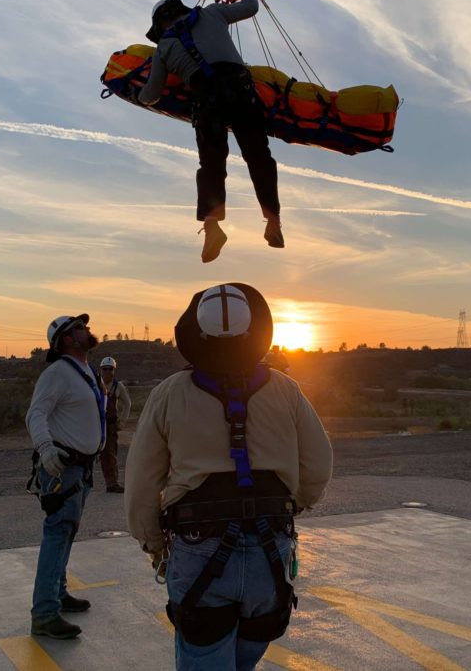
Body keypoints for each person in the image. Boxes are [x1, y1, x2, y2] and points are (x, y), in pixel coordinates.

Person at [125, 283, 333, 670]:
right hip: (270, 552)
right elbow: (319, 463)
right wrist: (295, 503)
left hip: (198, 549)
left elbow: (140, 483)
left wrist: (153, 542)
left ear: (195, 333)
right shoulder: (288, 391)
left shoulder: (168, 394)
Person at [139, 0, 285, 263]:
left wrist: (137, 96)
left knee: (212, 166)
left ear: (159, 26)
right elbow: (251, 7)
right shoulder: (212, 13)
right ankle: (273, 221)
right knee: (258, 157)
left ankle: (212, 227)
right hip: (242, 94)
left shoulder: (164, 48)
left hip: (208, 105)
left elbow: (151, 94)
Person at [25, 313, 106, 639]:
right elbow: (36, 413)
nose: (88, 330)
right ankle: (44, 613)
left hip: (80, 467)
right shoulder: (58, 372)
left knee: (66, 533)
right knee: (58, 533)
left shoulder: (83, 370)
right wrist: (45, 448)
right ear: (68, 339)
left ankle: (57, 594)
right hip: (64, 467)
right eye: (81, 328)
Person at [98, 356, 131, 493]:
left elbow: (127, 404)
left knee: (110, 454)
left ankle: (112, 483)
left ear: (114, 370)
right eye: (105, 369)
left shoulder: (118, 387)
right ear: (101, 369)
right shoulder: (95, 383)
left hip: (110, 426)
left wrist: (121, 422)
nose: (107, 371)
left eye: (110, 369)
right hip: (96, 424)